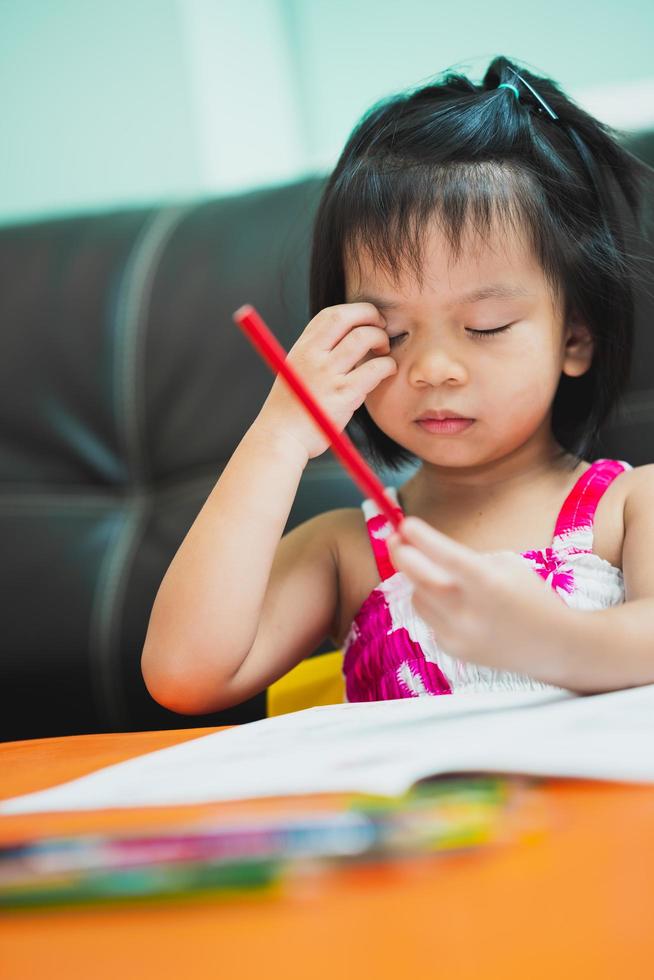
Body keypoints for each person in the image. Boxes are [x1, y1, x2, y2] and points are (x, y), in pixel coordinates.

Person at [141, 55, 654, 714]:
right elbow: (185, 673)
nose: (433, 368)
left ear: (575, 338)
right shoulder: (347, 552)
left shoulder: (629, 507)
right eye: (392, 332)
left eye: (487, 326)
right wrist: (277, 439)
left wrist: (544, 638)